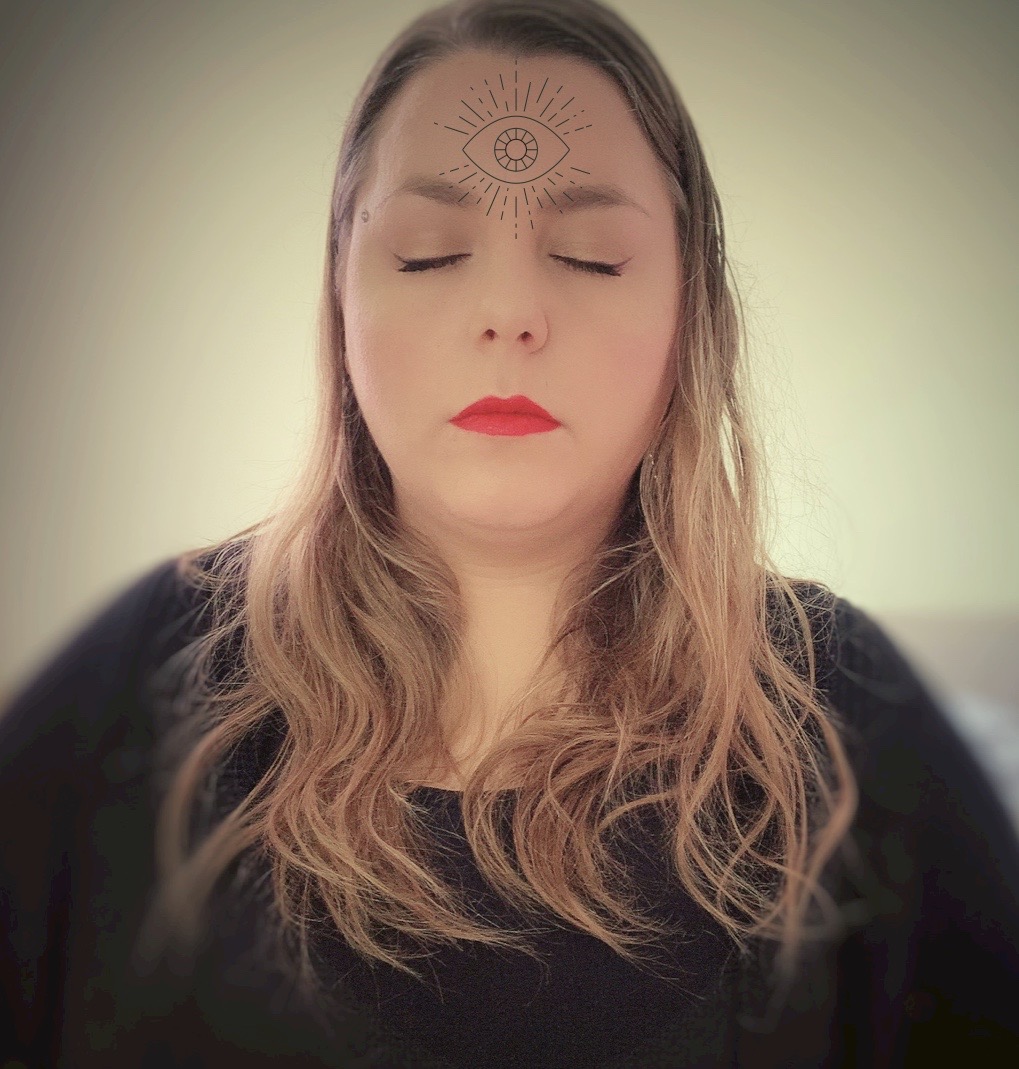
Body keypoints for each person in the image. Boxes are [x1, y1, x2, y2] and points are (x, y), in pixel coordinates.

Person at [2, 1, 1017, 1065]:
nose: (509, 309)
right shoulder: (139, 688)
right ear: (341, 297)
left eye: (590, 257)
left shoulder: (846, 720)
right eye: (429, 254)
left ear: (689, 310)